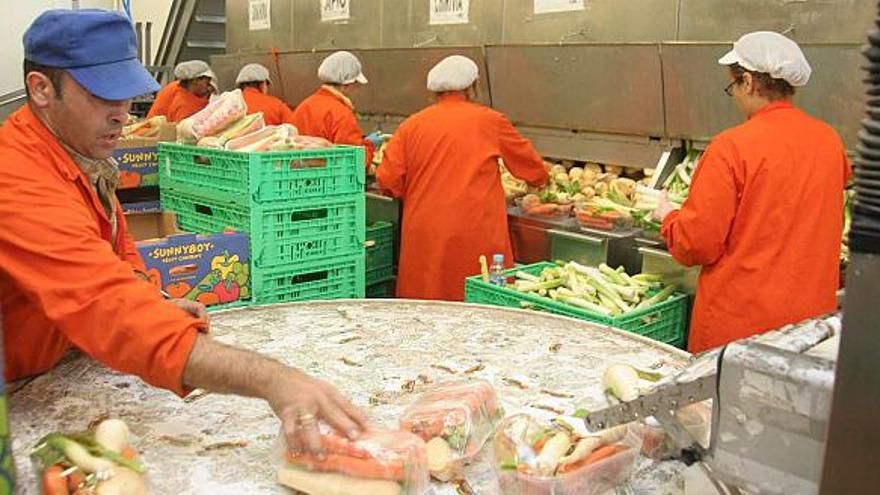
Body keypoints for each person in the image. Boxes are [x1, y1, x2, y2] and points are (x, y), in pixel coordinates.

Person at [0, 9, 365, 457]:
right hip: (16, 391)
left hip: (53, 370)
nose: (122, 115)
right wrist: (274, 379)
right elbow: (105, 306)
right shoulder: (16, 179)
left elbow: (118, 256)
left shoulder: (79, 155)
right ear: (41, 89)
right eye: (102, 96)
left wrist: (155, 299)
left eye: (126, 97)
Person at [652, 31, 851, 353]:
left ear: (747, 82)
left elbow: (696, 245)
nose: (734, 96)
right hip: (808, 324)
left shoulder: (731, 147)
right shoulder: (829, 141)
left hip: (740, 328)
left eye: (732, 86)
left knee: (724, 403)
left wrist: (669, 217)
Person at [376, 55, 549, 301]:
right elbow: (533, 170)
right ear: (472, 87)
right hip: (476, 233)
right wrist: (542, 181)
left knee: (425, 301)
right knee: (478, 301)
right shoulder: (490, 121)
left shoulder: (410, 126)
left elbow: (387, 181)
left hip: (425, 233)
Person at [291, 51, 380, 171]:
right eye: (356, 84)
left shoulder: (304, 106)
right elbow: (354, 162)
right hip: (328, 183)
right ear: (345, 85)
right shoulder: (341, 114)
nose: (356, 89)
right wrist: (370, 145)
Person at [146, 60, 210, 120]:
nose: (208, 88)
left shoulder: (177, 86)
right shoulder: (184, 101)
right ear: (195, 81)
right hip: (156, 130)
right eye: (207, 83)